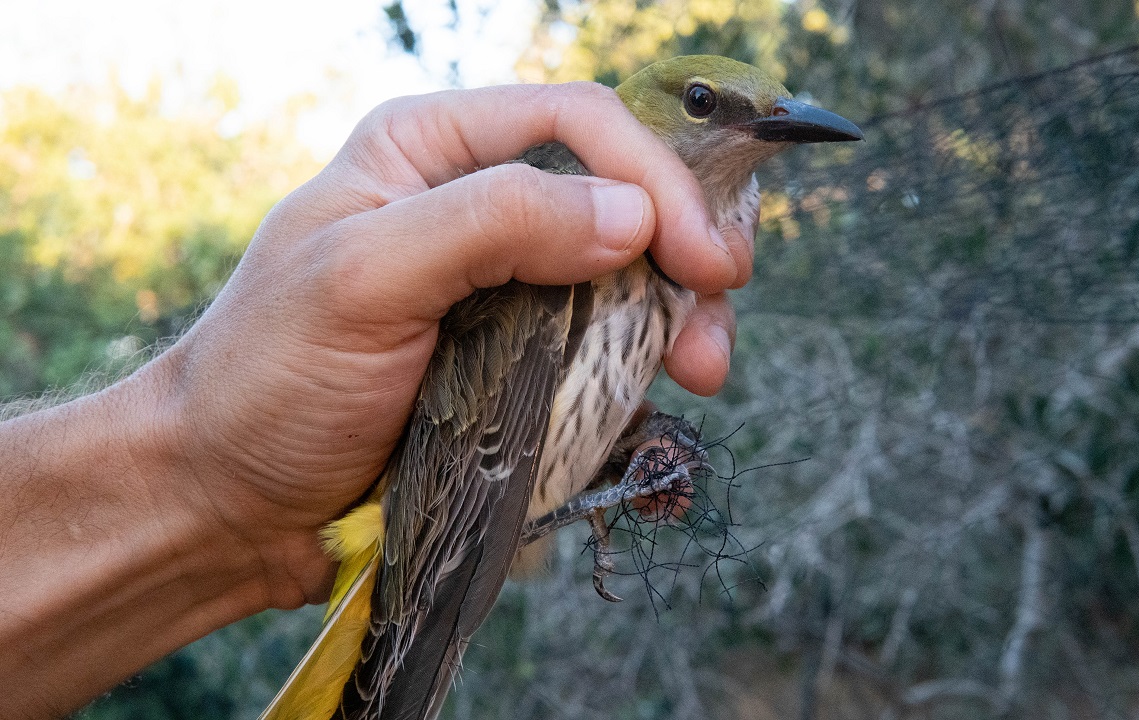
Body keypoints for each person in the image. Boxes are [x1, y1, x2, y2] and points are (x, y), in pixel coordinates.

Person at [0, 81, 753, 717]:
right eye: (702, 103)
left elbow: (521, 460)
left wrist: (616, 460)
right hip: (423, 532)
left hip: (439, 527)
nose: (754, 128)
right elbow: (485, 476)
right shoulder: (564, 210)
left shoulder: (651, 259)